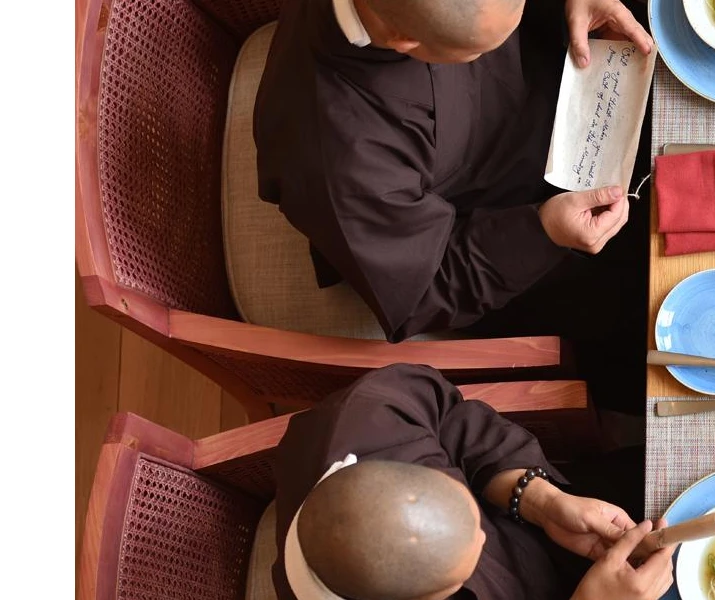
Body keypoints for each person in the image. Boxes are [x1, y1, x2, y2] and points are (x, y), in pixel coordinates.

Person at [253, 0, 654, 415]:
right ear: (404, 42)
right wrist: (542, 232)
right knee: (651, 313)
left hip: (563, 62)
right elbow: (427, 288)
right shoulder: (338, 160)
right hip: (499, 219)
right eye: (481, 51)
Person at [273, 364, 675, 600]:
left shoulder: (371, 413)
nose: (482, 538)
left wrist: (536, 500)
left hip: (541, 535)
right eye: (461, 572)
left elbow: (453, 419)